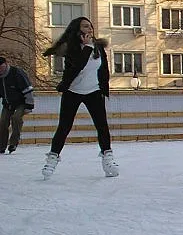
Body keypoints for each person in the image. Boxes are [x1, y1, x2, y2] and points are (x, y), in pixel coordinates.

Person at [40, 17, 118, 178]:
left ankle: (107, 157)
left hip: (94, 92)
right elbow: (77, 67)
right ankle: (52, 158)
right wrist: (88, 47)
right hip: (73, 92)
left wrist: (104, 88)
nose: (89, 29)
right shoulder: (71, 48)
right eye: (85, 26)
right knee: (64, 127)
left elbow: (104, 69)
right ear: (77, 30)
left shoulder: (97, 47)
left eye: (90, 26)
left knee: (102, 126)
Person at [0, 56, 35, 154]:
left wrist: (29, 106)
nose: (0, 71)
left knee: (16, 118)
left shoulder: (16, 73)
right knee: (2, 123)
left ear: (6, 65)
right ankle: (1, 146)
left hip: (22, 102)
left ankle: (13, 143)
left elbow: (28, 90)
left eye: (1, 68)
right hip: (7, 103)